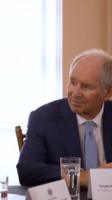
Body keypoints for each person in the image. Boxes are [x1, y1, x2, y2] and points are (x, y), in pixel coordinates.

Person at [16, 48, 112, 187]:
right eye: (72, 82)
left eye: (86, 86)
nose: (75, 93)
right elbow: (27, 171)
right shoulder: (43, 118)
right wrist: (81, 176)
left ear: (108, 92)